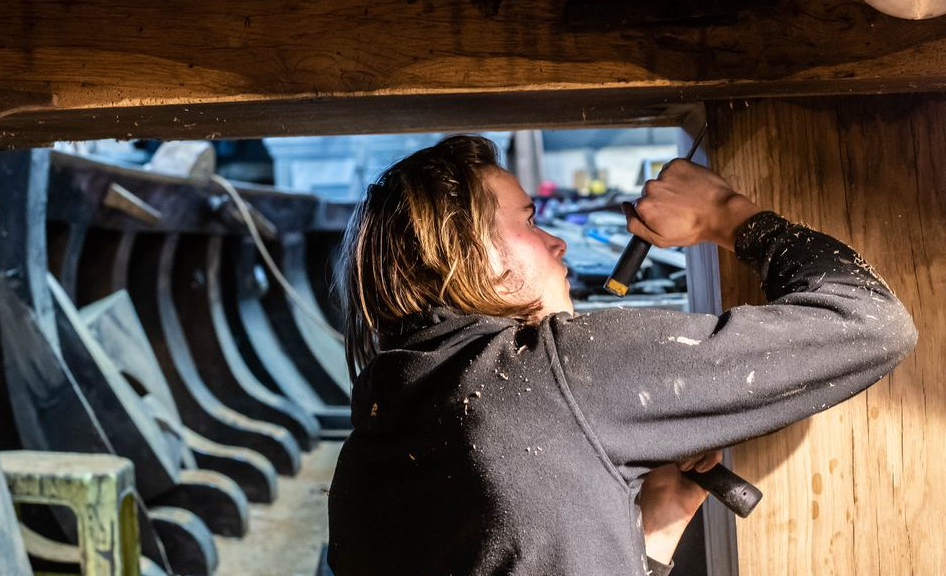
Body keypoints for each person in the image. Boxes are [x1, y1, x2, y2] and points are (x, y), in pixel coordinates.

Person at [326, 135, 917, 576]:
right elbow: (870, 322)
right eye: (530, 221)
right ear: (467, 251)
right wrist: (724, 214)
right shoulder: (556, 370)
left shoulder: (371, 444)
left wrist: (653, 532)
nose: (557, 242)